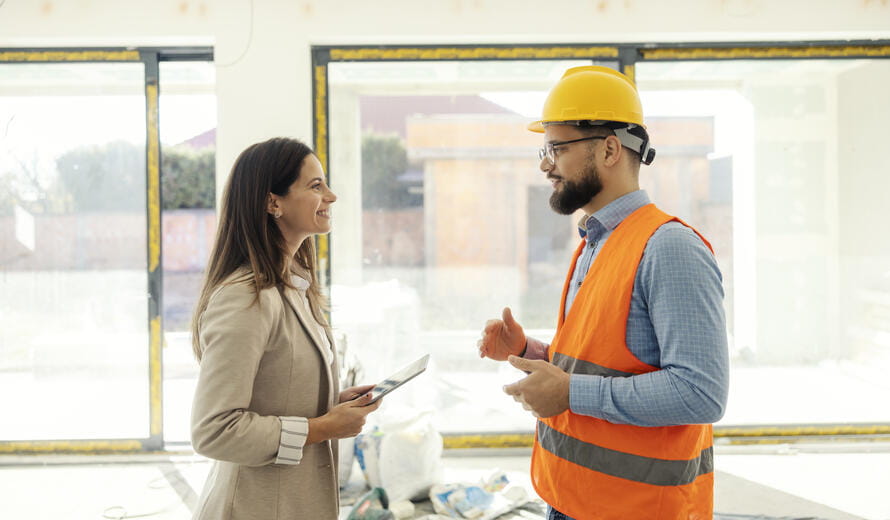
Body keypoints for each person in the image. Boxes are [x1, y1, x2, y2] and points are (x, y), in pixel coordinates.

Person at [477, 66, 729, 520]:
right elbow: (604, 360)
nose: (545, 165)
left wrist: (571, 393)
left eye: (557, 148)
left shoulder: (669, 247)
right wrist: (529, 351)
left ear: (610, 149)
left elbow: (701, 392)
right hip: (572, 498)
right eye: (545, 150)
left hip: (638, 510)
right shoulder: (596, 242)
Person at [189, 137, 381, 519]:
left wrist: (330, 403)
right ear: (273, 202)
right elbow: (213, 430)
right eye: (316, 186)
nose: (331, 196)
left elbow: (277, 389)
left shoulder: (294, 286)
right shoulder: (245, 297)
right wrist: (323, 427)